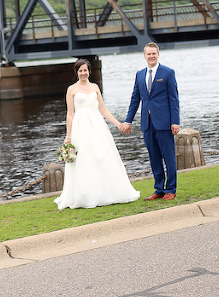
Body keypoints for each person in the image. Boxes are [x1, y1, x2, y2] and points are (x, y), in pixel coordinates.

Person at [55, 59, 140, 210]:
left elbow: (103, 109)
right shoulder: (71, 90)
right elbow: (70, 114)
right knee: (84, 160)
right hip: (80, 128)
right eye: (80, 71)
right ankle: (86, 195)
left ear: (89, 71)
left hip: (97, 126)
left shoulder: (95, 87)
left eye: (85, 70)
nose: (83, 73)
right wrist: (68, 136)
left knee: (102, 157)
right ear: (77, 73)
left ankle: (108, 192)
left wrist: (118, 124)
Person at [121, 42, 180, 201]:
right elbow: (135, 99)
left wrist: (175, 121)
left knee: (168, 158)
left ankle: (171, 190)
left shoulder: (168, 73)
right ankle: (159, 189)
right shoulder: (140, 74)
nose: (151, 56)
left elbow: (173, 99)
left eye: (154, 53)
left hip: (164, 123)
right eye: (149, 54)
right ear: (144, 56)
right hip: (147, 124)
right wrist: (128, 121)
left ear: (158, 54)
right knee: (154, 158)